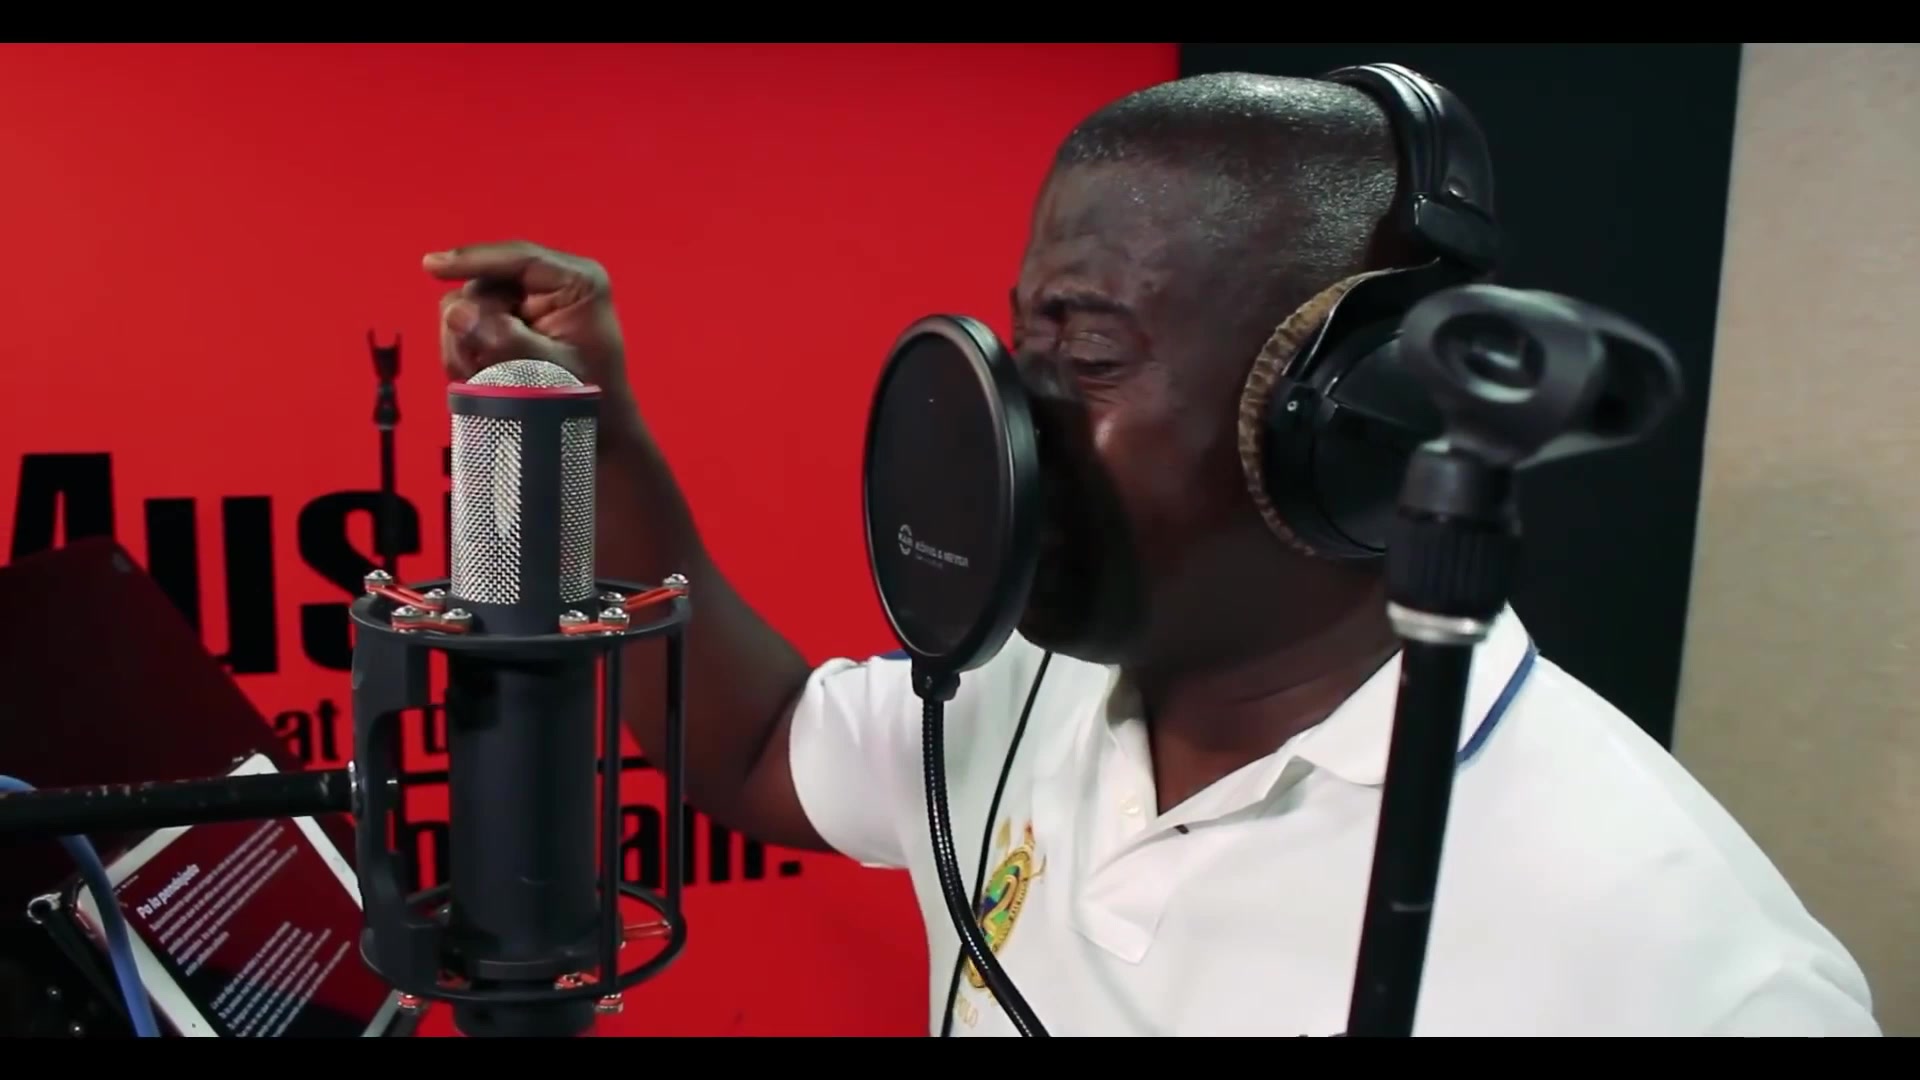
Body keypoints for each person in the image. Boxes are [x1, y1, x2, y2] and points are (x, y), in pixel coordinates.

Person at [421, 70, 1879, 1037]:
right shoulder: (1027, 686)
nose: (1009, 427)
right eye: (1025, 347)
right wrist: (594, 434)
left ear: (1339, 426)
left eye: (1093, 356)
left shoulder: (1682, 965)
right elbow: (753, 753)